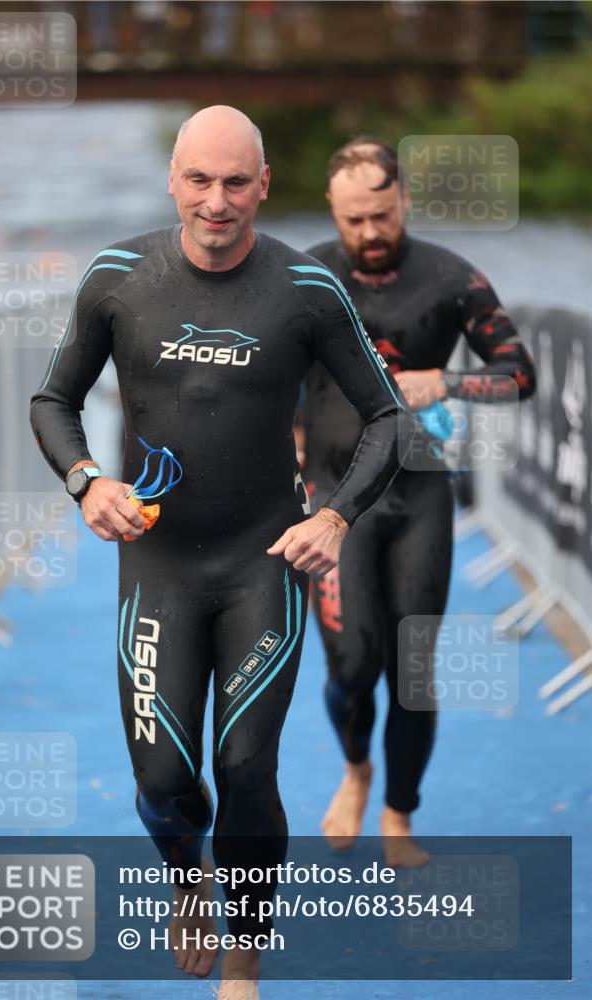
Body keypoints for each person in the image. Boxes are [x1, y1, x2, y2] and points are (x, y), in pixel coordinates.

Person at [30, 108, 406, 999]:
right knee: (164, 779)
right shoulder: (118, 277)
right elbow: (53, 401)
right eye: (199, 180)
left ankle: (246, 945)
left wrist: (335, 517)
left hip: (260, 564)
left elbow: (386, 417)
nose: (216, 201)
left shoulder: (306, 288)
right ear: (173, 180)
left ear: (263, 185)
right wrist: (87, 481)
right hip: (157, 567)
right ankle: (187, 877)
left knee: (245, 767)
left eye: (236, 182)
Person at [298, 137, 536, 867]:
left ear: (402, 199)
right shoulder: (303, 276)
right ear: (332, 211)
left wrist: (447, 381)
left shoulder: (451, 277)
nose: (369, 233)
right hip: (334, 497)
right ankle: (355, 769)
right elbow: (261, 373)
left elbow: (519, 374)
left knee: (411, 670)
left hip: (419, 489)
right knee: (350, 666)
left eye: (382, 215)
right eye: (353, 220)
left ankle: (399, 811)